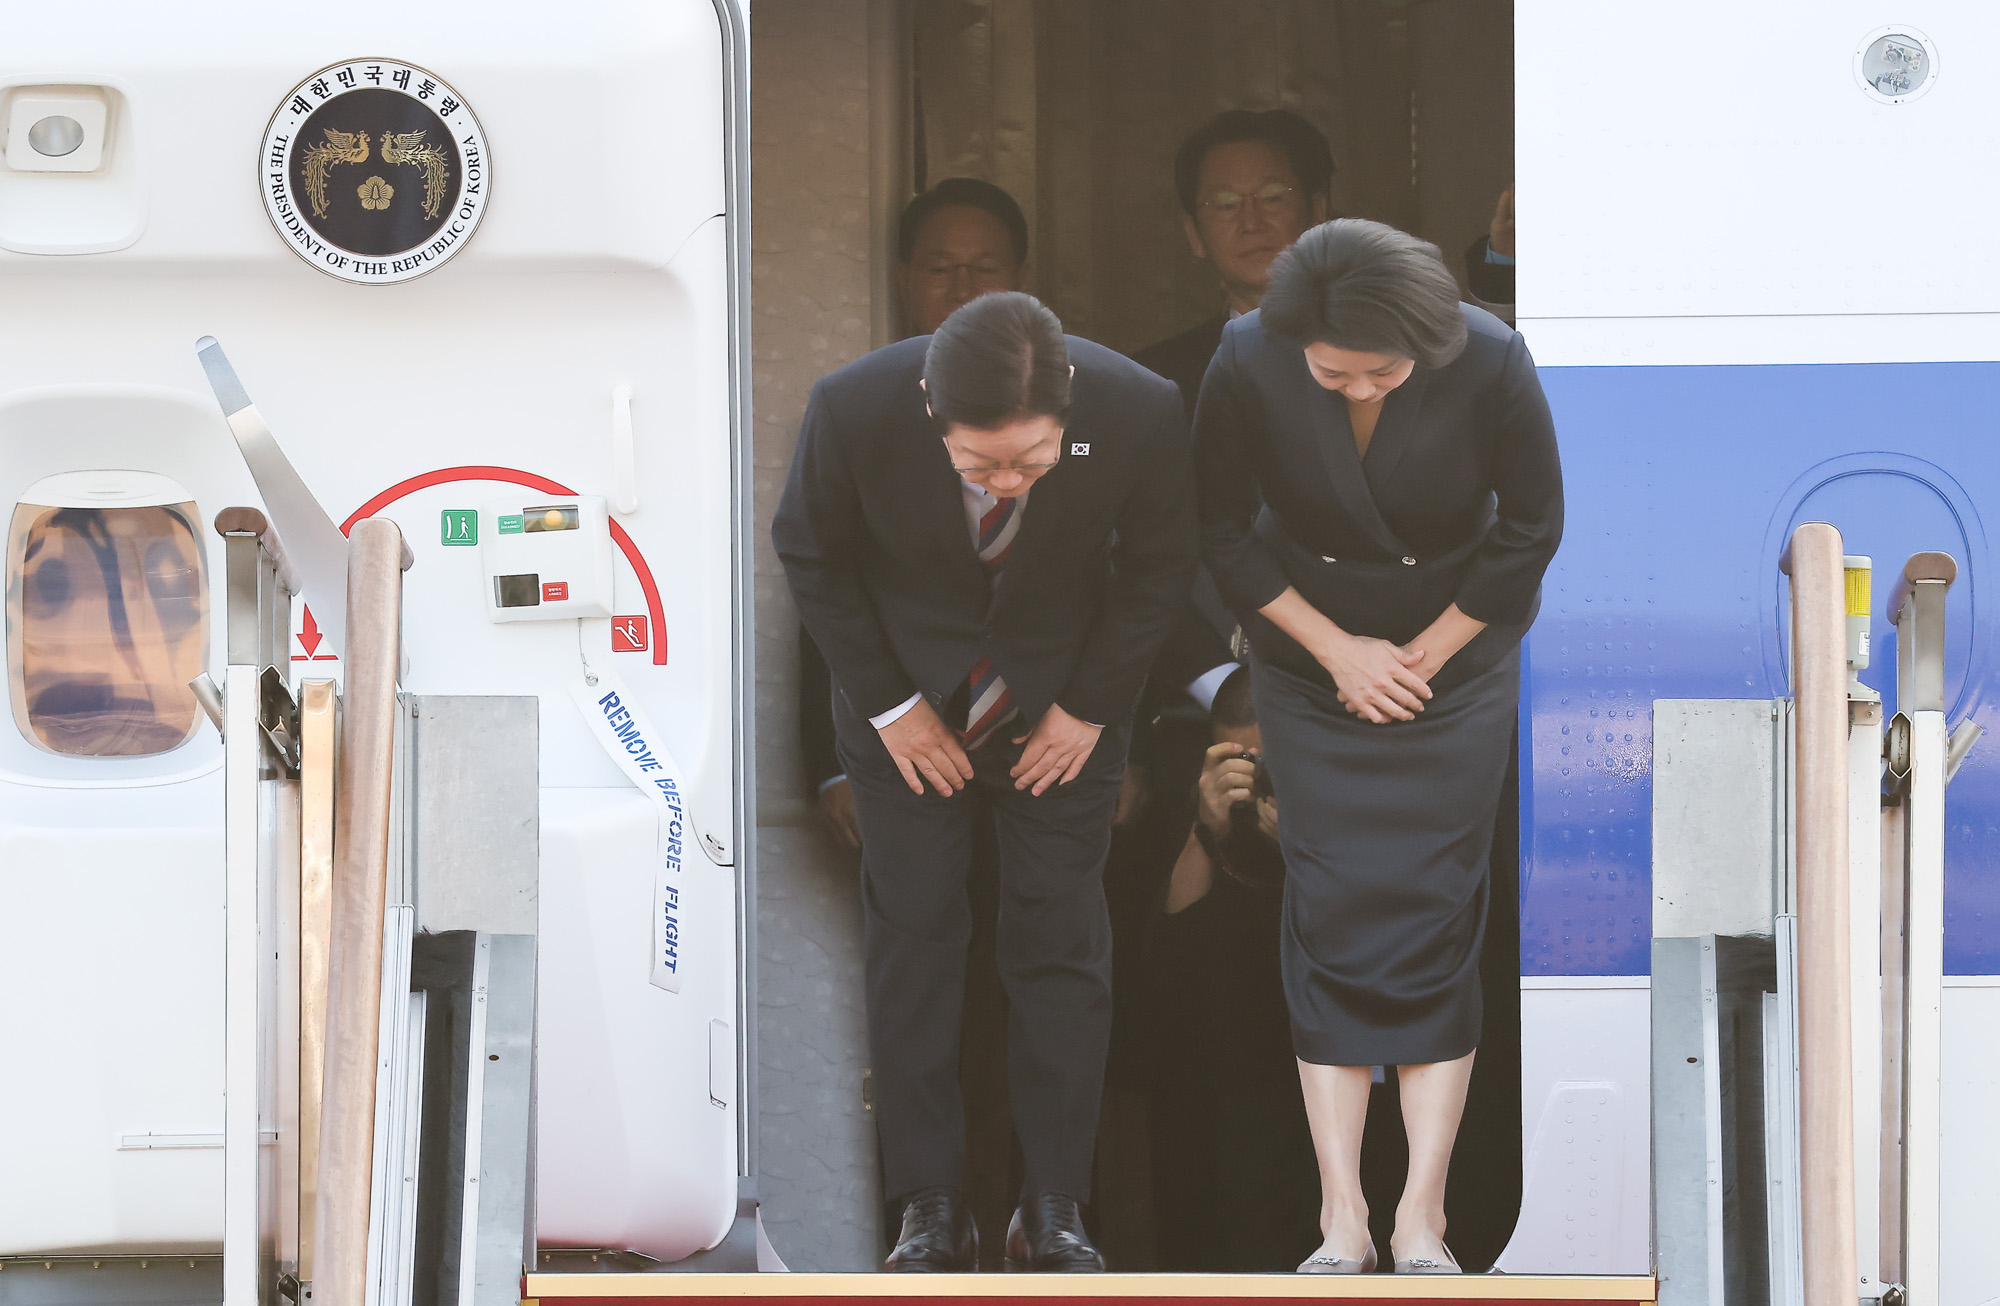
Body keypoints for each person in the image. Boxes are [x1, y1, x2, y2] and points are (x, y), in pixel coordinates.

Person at [773, 291, 1195, 1272]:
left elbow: (1160, 566)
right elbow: (811, 554)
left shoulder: (1138, 405)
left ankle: (1054, 1206)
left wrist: (1089, 708)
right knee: (914, 938)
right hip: (906, 708)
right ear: (931, 408)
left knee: (1060, 941)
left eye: (1032, 460)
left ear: (1068, 400)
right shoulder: (853, 405)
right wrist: (889, 706)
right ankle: (928, 1206)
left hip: (1062, 708)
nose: (1007, 481)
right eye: (979, 463)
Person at [1192, 218, 1563, 1275]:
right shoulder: (1245, 357)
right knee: (1329, 911)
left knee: (1438, 912)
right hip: (1312, 662)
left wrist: (1424, 656)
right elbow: (1218, 529)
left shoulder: (1490, 357)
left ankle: (1421, 1219)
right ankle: (1341, 1216)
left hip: (1455, 659)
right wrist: (1337, 653)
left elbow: (1531, 528)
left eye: (1384, 372)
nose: (1358, 388)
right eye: (1333, 372)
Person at [806, 177, 1032, 847]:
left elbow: (1118, 582)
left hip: (1047, 753)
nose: (963, 288)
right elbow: (824, 588)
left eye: (985, 268)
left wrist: (1121, 746)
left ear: (1022, 280)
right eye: (940, 268)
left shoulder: (1085, 405)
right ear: (903, 278)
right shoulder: (855, 413)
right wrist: (831, 766)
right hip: (898, 751)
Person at [1146, 666, 1320, 1271]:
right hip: (1229, 1061)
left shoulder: (1339, 793)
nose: (1253, 773)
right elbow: (1172, 927)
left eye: (1265, 758)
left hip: (1322, 1053)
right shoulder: (1199, 801)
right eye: (1237, 758)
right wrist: (1208, 826)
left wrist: (1302, 843)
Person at [1134, 108, 1334, 424]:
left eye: (1272, 197)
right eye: (1226, 204)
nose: (1251, 223)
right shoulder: (1150, 384)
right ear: (1195, 235)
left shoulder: (1396, 352)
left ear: (1318, 213)